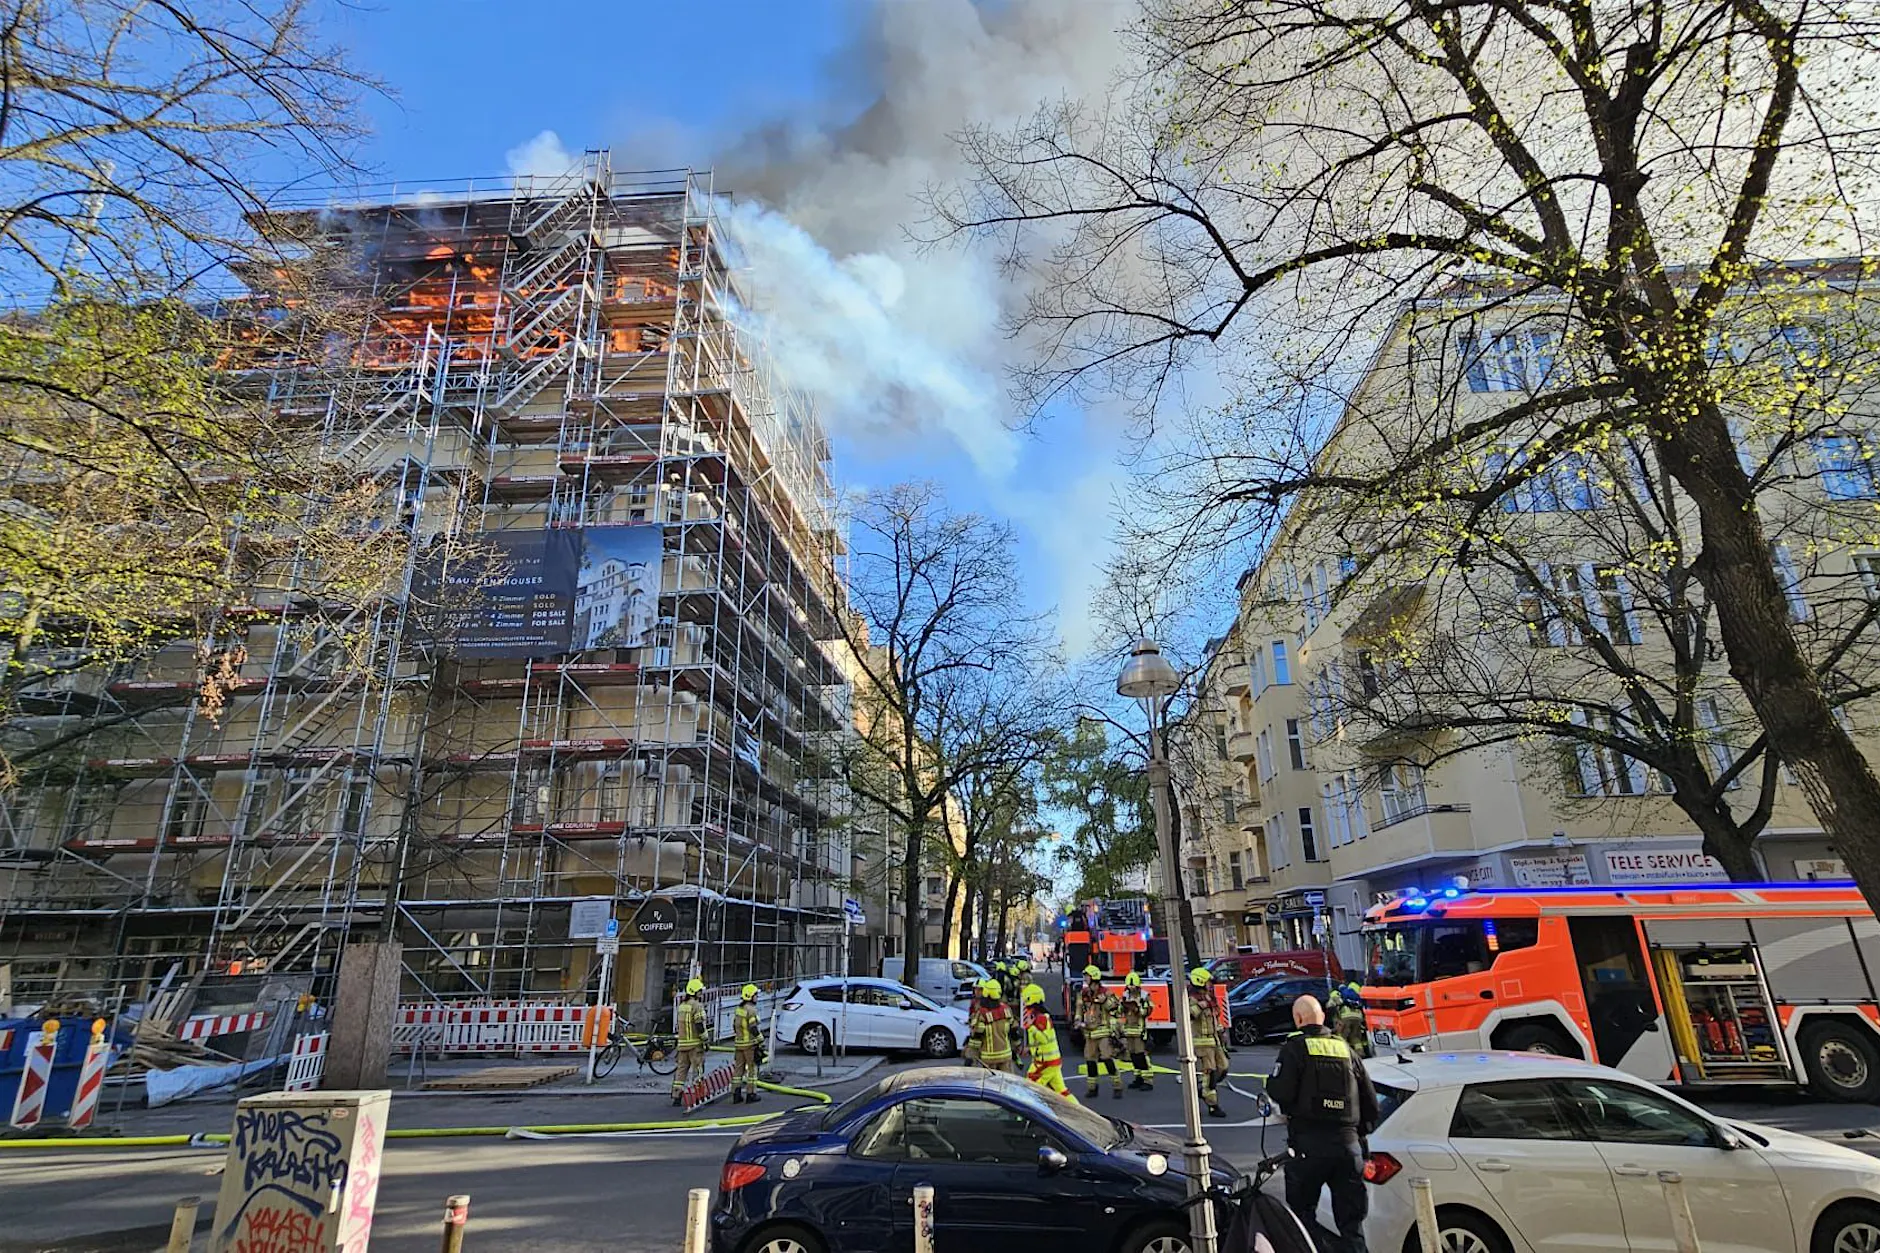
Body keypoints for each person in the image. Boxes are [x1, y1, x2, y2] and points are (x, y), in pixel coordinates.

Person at [1266, 995, 1380, 1253]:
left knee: (1302, 1222)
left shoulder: (1295, 1048)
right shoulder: (1345, 1049)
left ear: (1298, 1019)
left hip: (1309, 1147)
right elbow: (1371, 1106)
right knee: (1351, 1226)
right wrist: (1358, 1138)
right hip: (1348, 1148)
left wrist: (1271, 1084)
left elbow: (1281, 1092)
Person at [1075, 965, 1123, 1099]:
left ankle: (1117, 1087)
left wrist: (1105, 1001)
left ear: (1094, 977)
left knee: (1107, 1058)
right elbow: (1079, 1008)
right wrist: (1077, 1020)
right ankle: (1092, 1088)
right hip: (1089, 1032)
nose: (1085, 978)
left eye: (1087, 976)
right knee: (1090, 1060)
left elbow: (1116, 1008)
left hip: (1103, 1032)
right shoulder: (1084, 993)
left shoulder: (1105, 992)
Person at [1022, 984, 1076, 1102]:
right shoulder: (1040, 1016)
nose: (1024, 1002)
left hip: (1045, 1062)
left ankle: (1034, 1111)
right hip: (1052, 1060)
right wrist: (1029, 1048)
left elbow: (1043, 1039)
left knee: (1031, 1088)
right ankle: (1078, 1110)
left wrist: (1031, 1027)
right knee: (1062, 1091)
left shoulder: (1040, 1018)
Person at [1187, 967, 1229, 1118]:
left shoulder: (1209, 997)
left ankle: (1204, 1091)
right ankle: (1212, 1105)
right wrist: (1200, 1006)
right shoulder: (1192, 998)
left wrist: (1221, 1033)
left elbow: (1215, 1016)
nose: (1210, 985)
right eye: (1208, 982)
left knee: (1223, 1067)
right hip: (1202, 1042)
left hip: (1215, 1039)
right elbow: (1189, 1015)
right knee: (1209, 1073)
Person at [672, 976, 710, 1105]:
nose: (701, 993)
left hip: (682, 1045)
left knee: (681, 1071)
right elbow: (699, 1025)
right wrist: (705, 1039)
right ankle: (700, 1095)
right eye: (700, 991)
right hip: (695, 1045)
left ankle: (677, 1096)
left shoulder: (682, 1006)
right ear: (695, 992)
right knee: (698, 1070)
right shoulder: (697, 1006)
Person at [1119, 971, 1155, 1090]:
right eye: (1129, 986)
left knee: (1141, 1054)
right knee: (1133, 1055)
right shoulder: (1125, 995)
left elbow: (1148, 1010)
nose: (1131, 988)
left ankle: (1148, 1080)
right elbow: (1120, 1011)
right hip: (1129, 1029)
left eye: (1133, 986)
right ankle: (1138, 1078)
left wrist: (1137, 1009)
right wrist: (1122, 1006)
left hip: (1139, 1030)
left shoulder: (1144, 995)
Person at [730, 983, 763, 1103]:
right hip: (749, 1045)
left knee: (738, 1070)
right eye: (755, 995)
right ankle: (751, 1094)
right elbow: (753, 1027)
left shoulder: (739, 1009)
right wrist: (760, 1039)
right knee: (752, 1070)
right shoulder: (751, 1010)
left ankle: (736, 1094)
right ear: (750, 996)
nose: (757, 997)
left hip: (739, 1044)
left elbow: (734, 1025)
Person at [977, 978, 1018, 1074]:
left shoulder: (982, 1012)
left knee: (990, 1082)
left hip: (988, 1058)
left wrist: (971, 1054)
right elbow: (1014, 1030)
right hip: (1005, 1055)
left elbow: (977, 1035)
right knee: (1006, 1081)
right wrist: (1017, 1045)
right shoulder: (1006, 1009)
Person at [1327, 989, 1372, 1059]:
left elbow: (1331, 1007)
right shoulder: (1351, 996)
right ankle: (1360, 1053)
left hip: (1345, 1017)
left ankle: (1345, 1054)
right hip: (1358, 1017)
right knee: (1355, 1037)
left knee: (1343, 1037)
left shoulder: (1335, 997)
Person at [962, 979, 990, 1067]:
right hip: (974, 1039)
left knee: (987, 1065)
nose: (977, 991)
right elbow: (971, 1018)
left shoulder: (988, 1004)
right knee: (969, 1063)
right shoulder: (973, 1002)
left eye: (980, 989)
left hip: (985, 1039)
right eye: (976, 989)